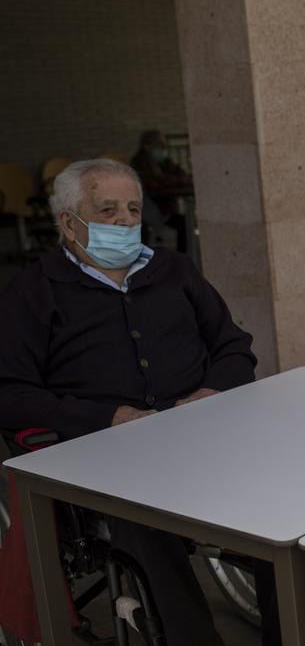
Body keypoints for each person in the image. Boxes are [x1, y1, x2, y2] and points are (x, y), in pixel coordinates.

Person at [0, 159, 278, 646]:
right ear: (69, 222)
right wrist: (110, 417)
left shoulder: (174, 270)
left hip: (200, 435)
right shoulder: (33, 291)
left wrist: (209, 394)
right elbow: (11, 393)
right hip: (107, 457)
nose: (127, 221)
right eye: (107, 210)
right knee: (146, 524)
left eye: (132, 208)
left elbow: (233, 347)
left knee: (281, 509)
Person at [130, 129, 192, 253]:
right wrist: (175, 181)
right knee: (183, 223)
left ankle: (183, 256)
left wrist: (175, 180)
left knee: (185, 222)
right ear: (146, 146)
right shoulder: (139, 163)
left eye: (164, 145)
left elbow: (181, 174)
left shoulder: (164, 162)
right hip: (151, 210)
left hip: (164, 207)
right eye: (159, 145)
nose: (163, 148)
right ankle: (183, 256)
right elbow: (154, 183)